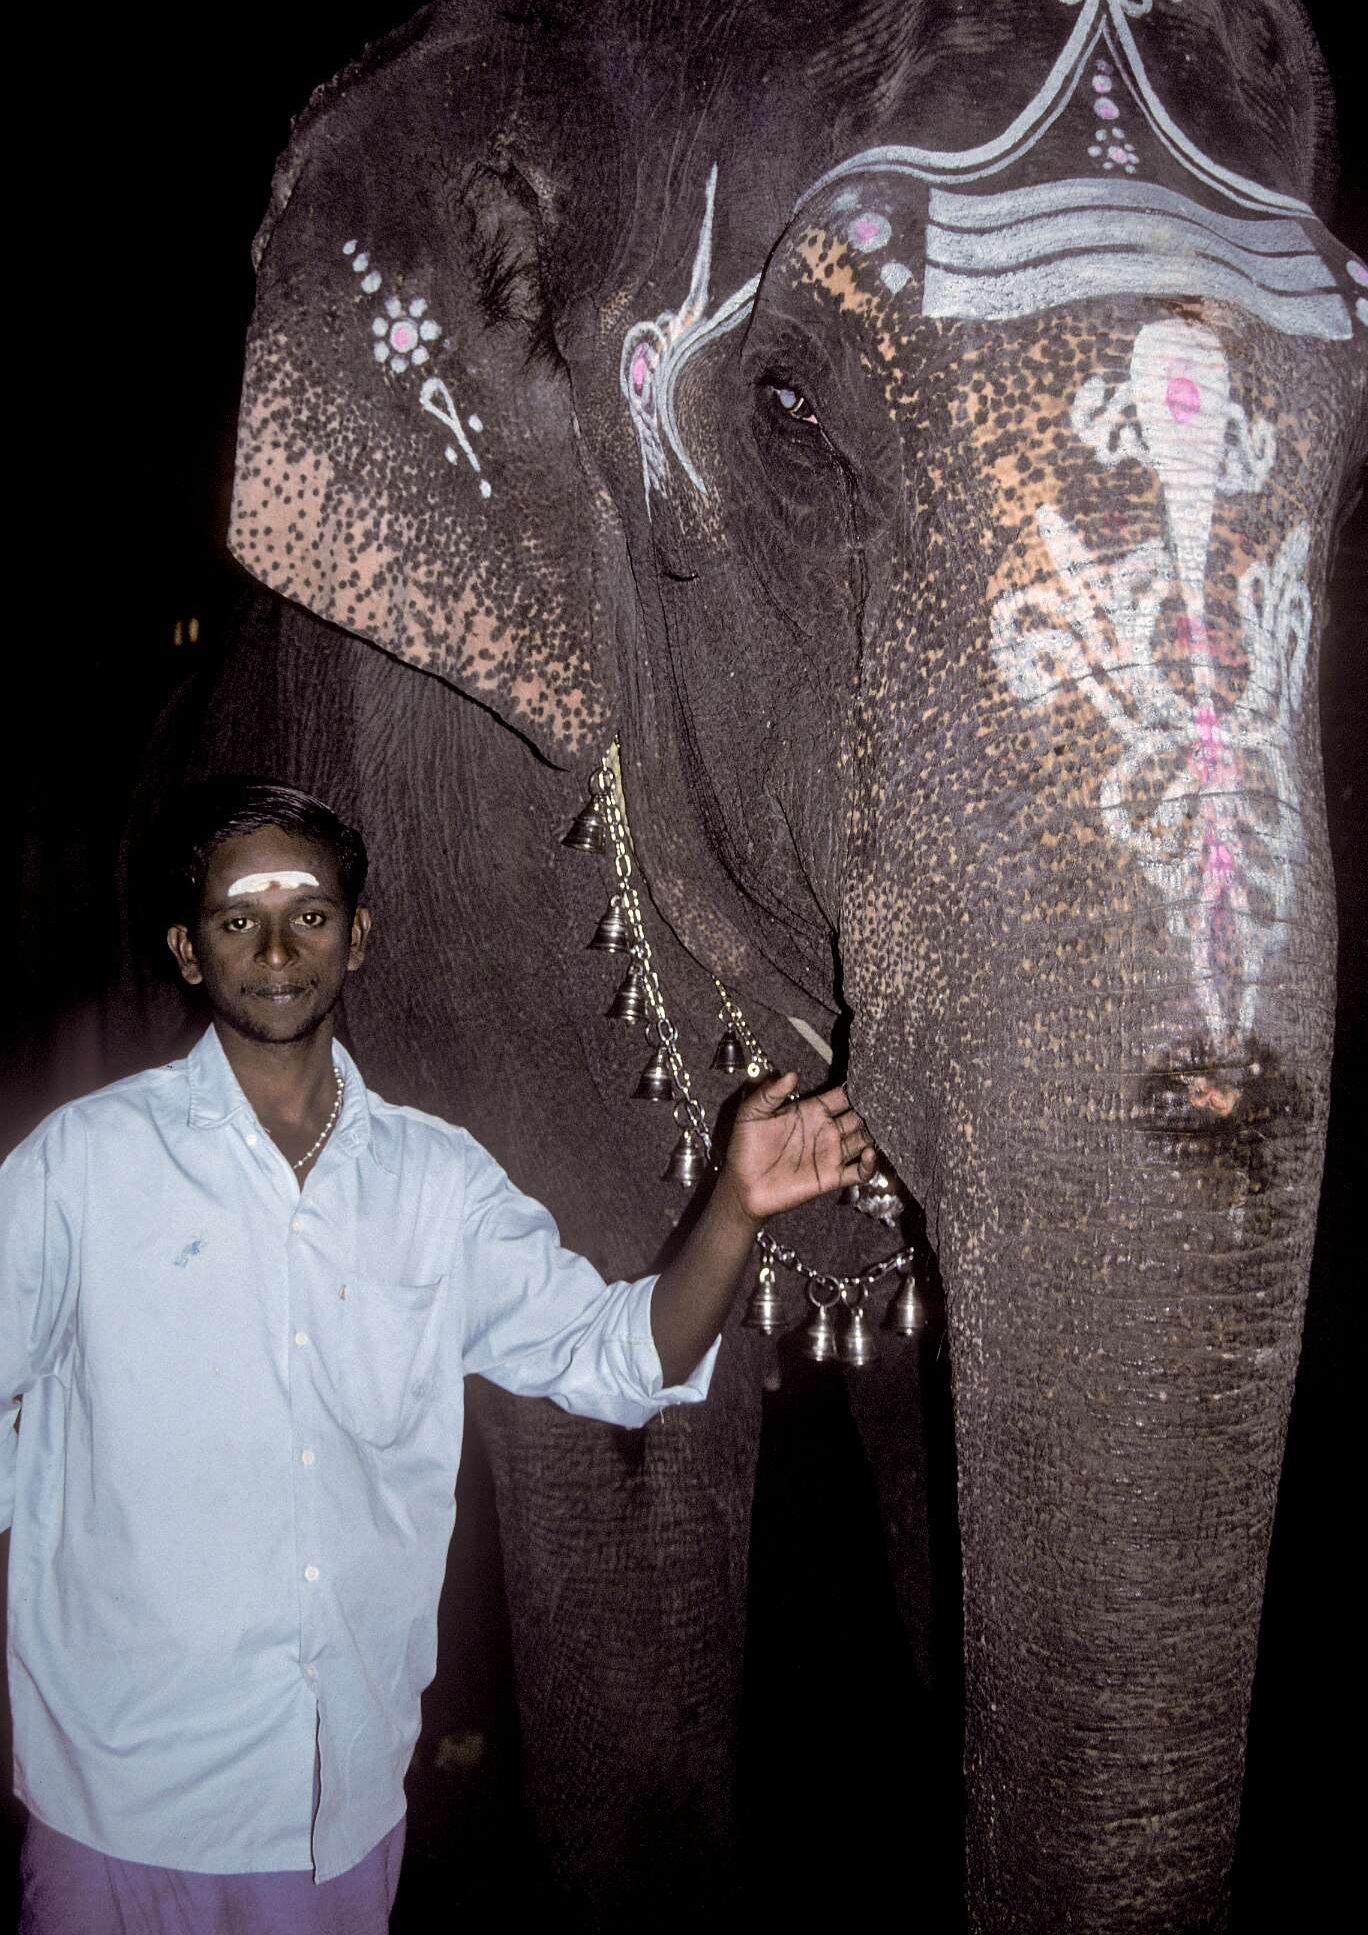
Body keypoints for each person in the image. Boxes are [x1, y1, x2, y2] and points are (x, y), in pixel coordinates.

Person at [1, 777, 875, 1934]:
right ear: (187, 949)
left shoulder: (438, 1182)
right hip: (113, 1813)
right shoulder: (82, 1167)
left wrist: (736, 1205)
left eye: (310, 914)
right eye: (238, 918)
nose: (276, 950)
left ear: (358, 937)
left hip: (338, 1817)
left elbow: (618, 1359)